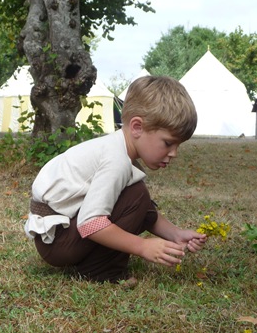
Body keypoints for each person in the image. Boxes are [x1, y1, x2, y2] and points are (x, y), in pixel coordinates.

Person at [24, 75, 207, 284]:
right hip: (57, 243)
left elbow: (144, 211)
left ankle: (94, 262)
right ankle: (100, 270)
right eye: (168, 143)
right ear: (137, 127)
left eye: (178, 146)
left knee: (136, 195)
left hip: (61, 234)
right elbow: (90, 223)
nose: (174, 153)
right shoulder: (116, 160)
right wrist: (143, 246)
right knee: (136, 194)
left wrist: (175, 234)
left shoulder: (118, 150)